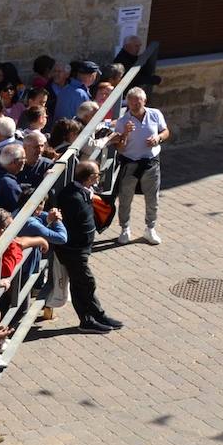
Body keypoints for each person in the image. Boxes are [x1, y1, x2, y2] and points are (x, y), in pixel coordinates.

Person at [53, 161, 125, 335]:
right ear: (91, 178)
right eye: (97, 175)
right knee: (86, 283)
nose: (99, 177)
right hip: (73, 251)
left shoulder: (83, 192)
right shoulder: (73, 198)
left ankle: (93, 317)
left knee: (81, 284)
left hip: (80, 249)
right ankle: (91, 318)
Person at [111, 86, 169, 246]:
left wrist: (158, 139)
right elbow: (120, 148)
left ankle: (150, 228)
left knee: (152, 198)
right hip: (130, 162)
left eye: (138, 102)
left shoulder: (155, 114)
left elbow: (165, 131)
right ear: (128, 103)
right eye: (132, 103)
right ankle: (125, 229)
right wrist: (126, 133)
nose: (135, 106)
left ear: (145, 101)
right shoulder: (123, 121)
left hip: (151, 162)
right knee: (125, 198)